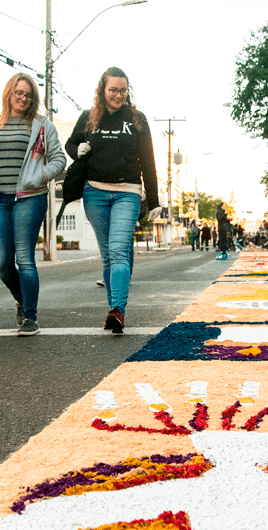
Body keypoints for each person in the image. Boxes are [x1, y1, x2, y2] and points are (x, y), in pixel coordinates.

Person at [64, 67, 160, 334]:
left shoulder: (137, 119)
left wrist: (153, 201)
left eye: (122, 90)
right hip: (94, 192)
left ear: (127, 91)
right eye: (112, 90)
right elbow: (70, 144)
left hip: (127, 192)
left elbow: (148, 161)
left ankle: (118, 309)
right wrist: (77, 149)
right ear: (102, 90)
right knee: (107, 255)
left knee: (118, 250)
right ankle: (113, 311)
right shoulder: (88, 118)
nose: (117, 95)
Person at [0, 73, 66, 337]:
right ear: (9, 93)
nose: (23, 98)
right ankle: (21, 298)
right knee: (2, 262)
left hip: (29, 198)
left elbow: (58, 159)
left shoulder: (41, 125)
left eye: (27, 94)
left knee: (25, 259)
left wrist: (40, 177)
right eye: (18, 93)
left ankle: (30, 317)